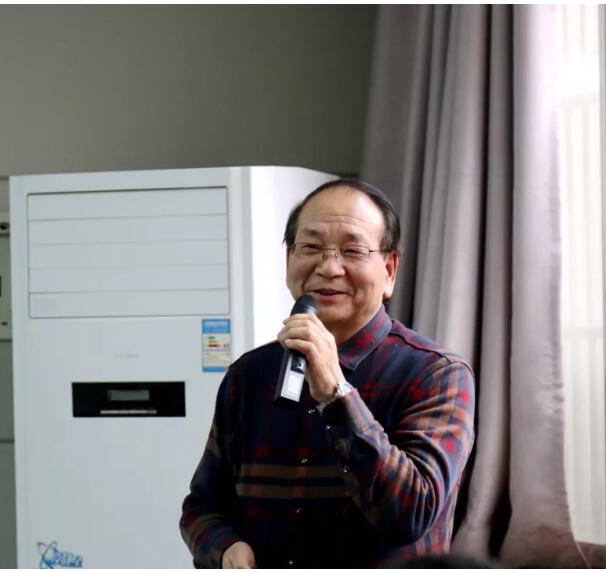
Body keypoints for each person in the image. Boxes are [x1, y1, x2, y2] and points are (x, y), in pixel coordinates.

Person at [180, 180, 475, 568]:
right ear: (289, 259)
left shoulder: (436, 374)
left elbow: (411, 515)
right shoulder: (248, 374)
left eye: (352, 250)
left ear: (389, 270)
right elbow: (202, 506)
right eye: (311, 247)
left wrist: (337, 394)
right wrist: (224, 547)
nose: (329, 267)